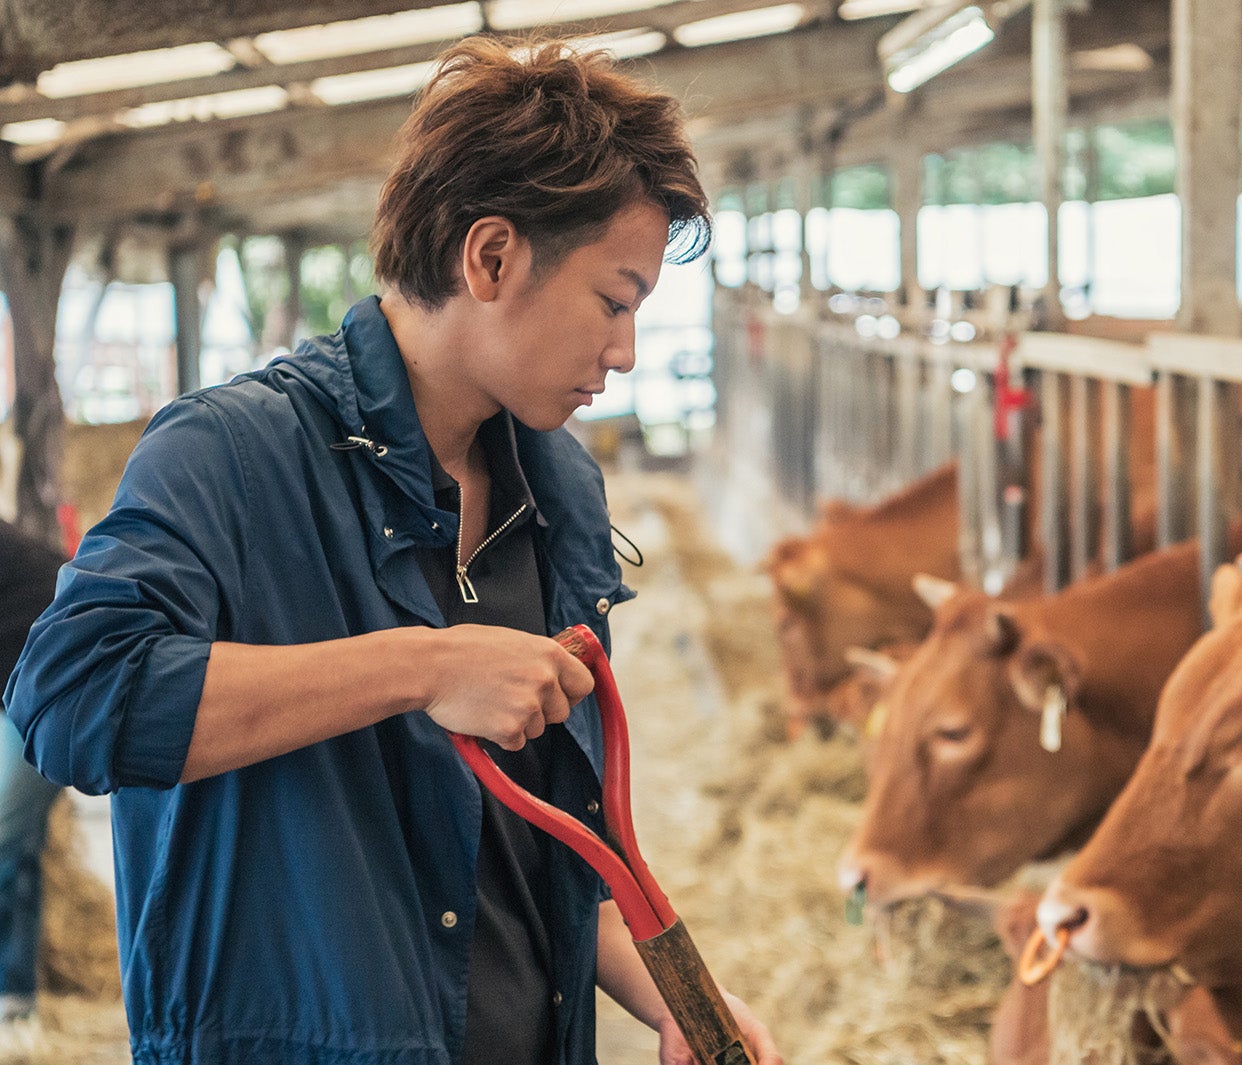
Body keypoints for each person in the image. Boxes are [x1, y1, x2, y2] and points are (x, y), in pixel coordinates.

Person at [5, 36, 781, 1065]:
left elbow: (542, 840)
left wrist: (675, 995)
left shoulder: (558, 493)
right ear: (491, 257)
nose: (624, 351)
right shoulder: (229, 454)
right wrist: (421, 665)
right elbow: (68, 700)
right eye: (613, 299)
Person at [0, 522, 64, 1031]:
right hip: (17, 687)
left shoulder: (20, 558)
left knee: (7, 838)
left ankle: (14, 998)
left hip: (39, 693)